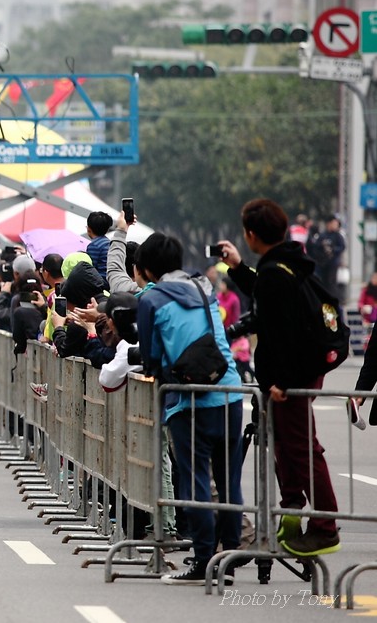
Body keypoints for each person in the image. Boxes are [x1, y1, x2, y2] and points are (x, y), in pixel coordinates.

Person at [219, 199, 340, 557]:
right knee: (287, 446)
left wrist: (283, 382)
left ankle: (325, 528)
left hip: (290, 380)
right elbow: (268, 303)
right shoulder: (288, 262)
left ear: (251, 234)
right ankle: (292, 510)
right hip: (298, 374)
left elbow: (286, 332)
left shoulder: (276, 271)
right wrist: (239, 267)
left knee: (302, 449)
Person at [135, 232, 246, 585]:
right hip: (229, 391)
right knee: (229, 482)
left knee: (195, 481)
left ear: (147, 269)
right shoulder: (204, 288)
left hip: (189, 399)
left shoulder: (151, 299)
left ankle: (203, 560)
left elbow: (152, 356)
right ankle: (229, 557)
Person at [308, 215, 345, 297]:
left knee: (331, 282)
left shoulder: (338, 236)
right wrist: (322, 247)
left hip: (333, 263)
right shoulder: (322, 235)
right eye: (334, 223)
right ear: (329, 224)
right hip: (323, 263)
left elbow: (342, 247)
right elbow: (315, 247)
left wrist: (333, 249)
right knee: (322, 281)